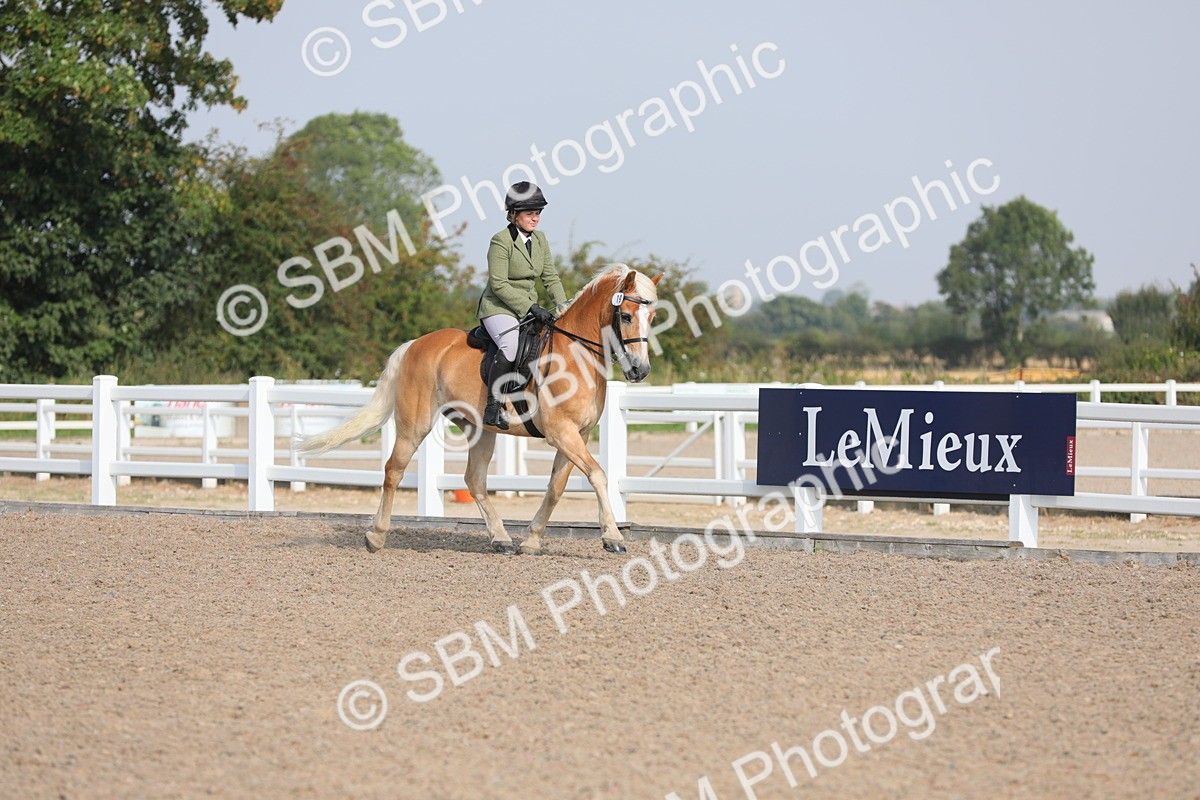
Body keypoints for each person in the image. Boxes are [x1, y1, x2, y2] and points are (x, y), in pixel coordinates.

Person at [476, 182, 568, 429]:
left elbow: (550, 277)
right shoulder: (500, 241)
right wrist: (530, 307)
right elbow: (499, 284)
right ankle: (493, 406)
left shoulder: (540, 240)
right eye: (530, 213)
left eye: (538, 213)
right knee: (510, 344)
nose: (535, 218)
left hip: (529, 308)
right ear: (514, 214)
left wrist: (564, 306)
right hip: (499, 307)